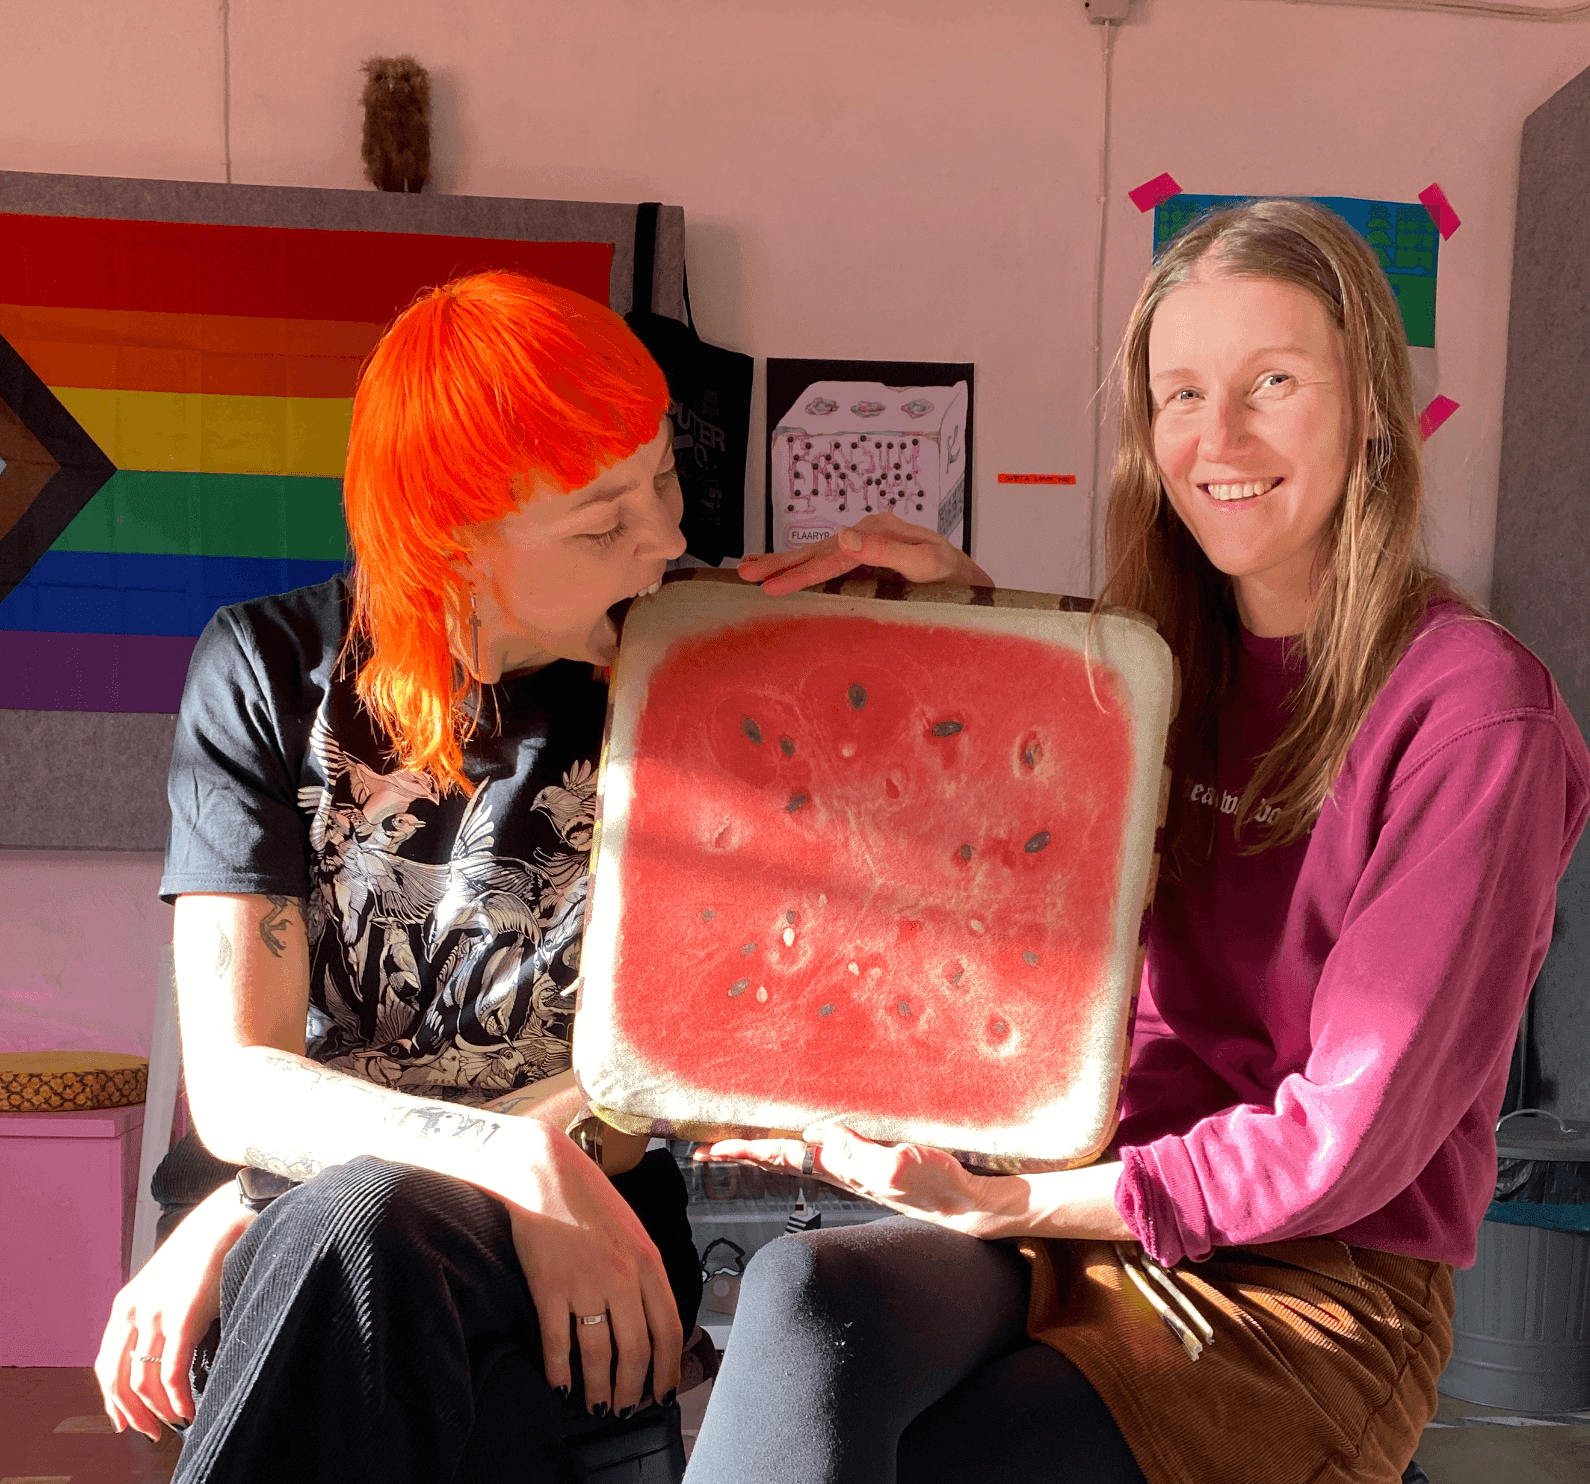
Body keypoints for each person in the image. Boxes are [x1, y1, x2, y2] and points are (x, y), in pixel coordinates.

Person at [683, 199, 1590, 1484]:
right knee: (799, 1298)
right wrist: (962, 628)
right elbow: (1018, 870)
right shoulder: (1149, 663)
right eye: (1182, 395)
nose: (1219, 439)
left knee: (953, 1459)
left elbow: (1346, 1140)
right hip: (1080, 1204)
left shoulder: (1476, 714)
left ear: (1374, 408)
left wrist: (1008, 1200)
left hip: (1310, 1282)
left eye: (1273, 383)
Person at [92, 268, 984, 1481]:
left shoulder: (706, 658)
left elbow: (715, 1038)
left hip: (570, 1216)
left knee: (378, 1246)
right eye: (602, 523)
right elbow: (242, 1084)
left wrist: (962, 633)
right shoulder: (266, 669)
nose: (665, 539)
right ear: (450, 545)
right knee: (385, 1256)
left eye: (663, 477)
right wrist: (504, 1159)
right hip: (316, 1228)